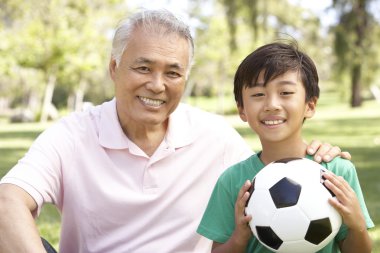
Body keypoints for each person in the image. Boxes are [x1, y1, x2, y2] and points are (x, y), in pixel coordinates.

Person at [0, 10, 351, 253]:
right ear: (114, 68)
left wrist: (314, 156)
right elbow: (7, 200)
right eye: (143, 67)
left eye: (172, 73)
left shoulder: (214, 136)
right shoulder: (71, 135)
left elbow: (274, 179)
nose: (157, 85)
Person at [197, 42, 374, 253]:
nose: (272, 104)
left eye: (286, 92)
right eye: (258, 95)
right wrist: (239, 238)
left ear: (310, 106)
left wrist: (357, 225)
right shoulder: (233, 180)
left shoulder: (337, 172)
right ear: (242, 110)